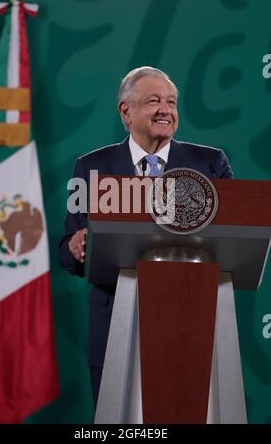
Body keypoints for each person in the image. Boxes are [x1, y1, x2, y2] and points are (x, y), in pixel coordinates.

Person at [58, 66, 233, 407]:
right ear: (126, 111)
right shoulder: (92, 167)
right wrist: (77, 246)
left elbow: (231, 233)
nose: (165, 110)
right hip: (116, 325)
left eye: (171, 102)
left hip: (191, 319)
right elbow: (66, 251)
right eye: (153, 101)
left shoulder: (211, 164)